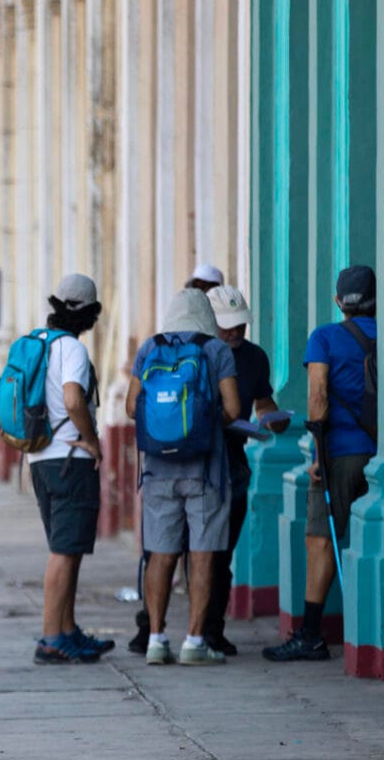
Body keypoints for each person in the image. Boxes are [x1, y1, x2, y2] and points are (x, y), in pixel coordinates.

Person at [263, 265, 377, 662]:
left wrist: (317, 455)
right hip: (380, 452)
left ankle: (311, 634)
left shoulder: (324, 337)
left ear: (337, 301)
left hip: (339, 453)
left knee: (320, 539)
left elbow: (318, 397)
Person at [125, 287, 239, 666]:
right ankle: (194, 641)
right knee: (202, 556)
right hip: (206, 471)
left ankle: (156, 639)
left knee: (160, 555)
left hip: (158, 469)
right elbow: (233, 408)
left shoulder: (150, 348)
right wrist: (204, 423)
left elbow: (131, 407)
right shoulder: (216, 350)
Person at [27, 274, 115, 665]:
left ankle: (67, 630)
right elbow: (73, 400)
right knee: (64, 553)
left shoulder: (38, 343)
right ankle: (51, 639)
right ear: (88, 313)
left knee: (69, 548)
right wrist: (92, 439)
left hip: (40, 460)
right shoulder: (72, 349)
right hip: (70, 460)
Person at [203, 284, 290, 656]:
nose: (235, 331)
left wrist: (274, 419)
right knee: (188, 550)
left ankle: (212, 630)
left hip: (234, 462)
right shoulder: (199, 354)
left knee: (223, 552)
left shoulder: (254, 357)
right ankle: (155, 629)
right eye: (227, 325)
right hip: (199, 461)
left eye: (240, 324)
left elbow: (263, 403)